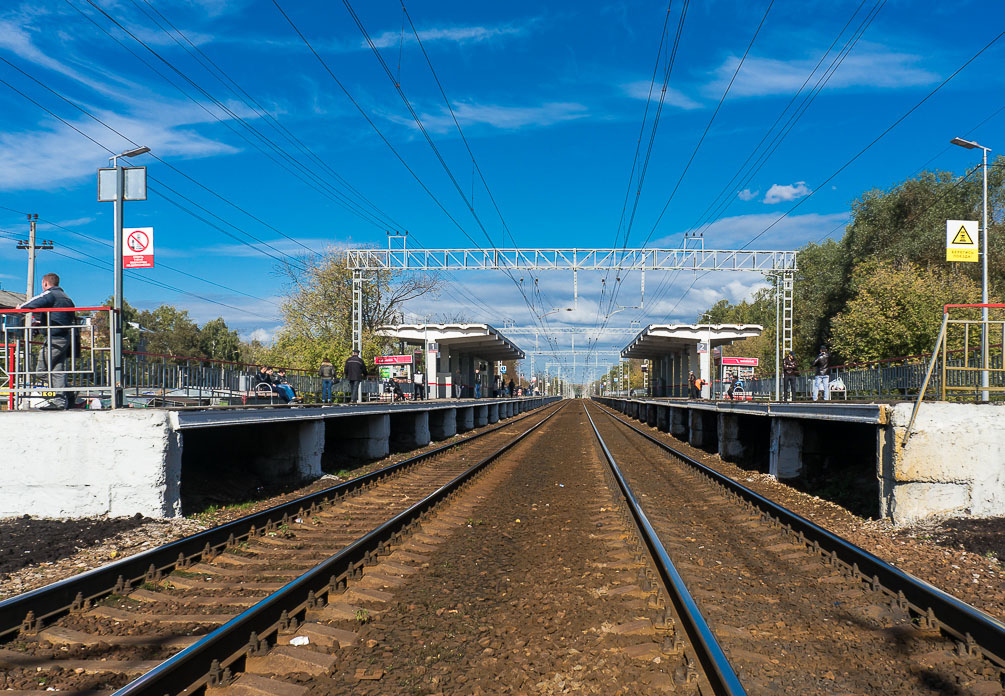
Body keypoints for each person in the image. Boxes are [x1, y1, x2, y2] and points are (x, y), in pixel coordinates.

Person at [17, 273, 76, 410]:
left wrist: (19, 309)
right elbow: (60, 317)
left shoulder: (51, 294)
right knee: (57, 371)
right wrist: (41, 323)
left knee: (41, 371)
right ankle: (64, 398)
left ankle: (65, 396)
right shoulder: (66, 297)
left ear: (45, 283)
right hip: (64, 337)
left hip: (54, 339)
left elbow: (33, 303)